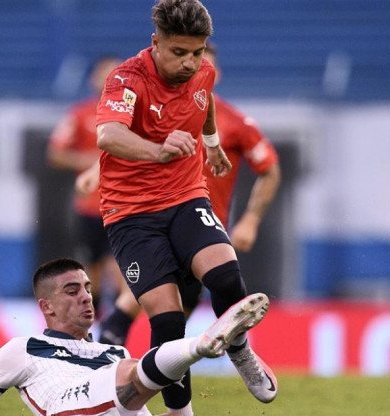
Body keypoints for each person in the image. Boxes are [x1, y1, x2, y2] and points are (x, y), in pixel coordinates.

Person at [93, 1, 276, 413]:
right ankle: (180, 412)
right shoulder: (125, 79)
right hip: (131, 215)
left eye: (197, 52)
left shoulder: (202, 72)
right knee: (170, 324)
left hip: (185, 196)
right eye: (179, 53)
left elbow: (203, 97)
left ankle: (241, 352)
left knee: (227, 278)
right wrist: (158, 151)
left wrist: (210, 143)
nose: (191, 63)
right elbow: (108, 135)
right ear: (155, 42)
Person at [0, 258, 271, 416]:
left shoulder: (112, 352)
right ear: (46, 306)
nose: (86, 298)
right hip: (67, 408)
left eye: (88, 289)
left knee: (129, 370)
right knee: (129, 371)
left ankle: (199, 350)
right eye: (72, 292)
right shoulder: (24, 349)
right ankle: (202, 344)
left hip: (116, 401)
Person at [48, 56, 125, 315]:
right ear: (93, 78)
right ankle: (96, 324)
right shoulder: (79, 114)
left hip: (124, 206)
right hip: (90, 206)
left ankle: (119, 328)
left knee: (119, 270)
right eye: (105, 72)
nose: (110, 78)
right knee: (90, 271)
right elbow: (56, 152)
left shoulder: (134, 114)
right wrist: (88, 161)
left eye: (116, 72)